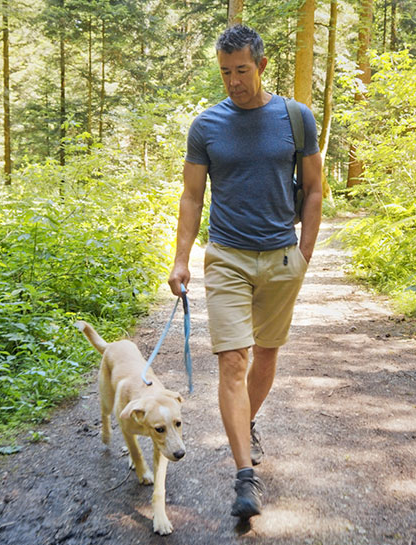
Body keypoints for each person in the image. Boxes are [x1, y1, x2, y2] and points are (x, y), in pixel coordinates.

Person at [168, 24, 322, 520]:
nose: (232, 81)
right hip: (228, 257)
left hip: (281, 258)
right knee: (233, 361)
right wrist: (181, 258)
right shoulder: (206, 126)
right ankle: (244, 477)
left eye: (240, 70)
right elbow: (192, 198)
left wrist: (305, 253)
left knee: (266, 355)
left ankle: (246, 420)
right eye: (224, 72)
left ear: (260, 64)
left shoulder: (296, 118)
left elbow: (315, 189)